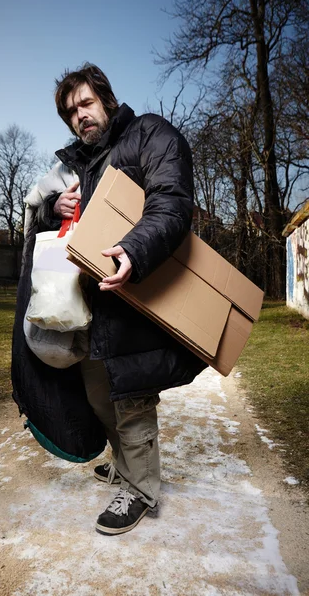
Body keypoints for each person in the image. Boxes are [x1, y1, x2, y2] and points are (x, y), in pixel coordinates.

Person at [32, 63, 207, 536]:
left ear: (106, 99)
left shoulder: (149, 134)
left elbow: (170, 200)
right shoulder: (77, 164)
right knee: (99, 394)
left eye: (86, 103)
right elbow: (59, 228)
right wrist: (56, 207)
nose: (79, 117)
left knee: (130, 396)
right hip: (88, 306)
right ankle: (126, 465)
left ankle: (141, 488)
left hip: (132, 294)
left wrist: (135, 248)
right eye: (70, 112)